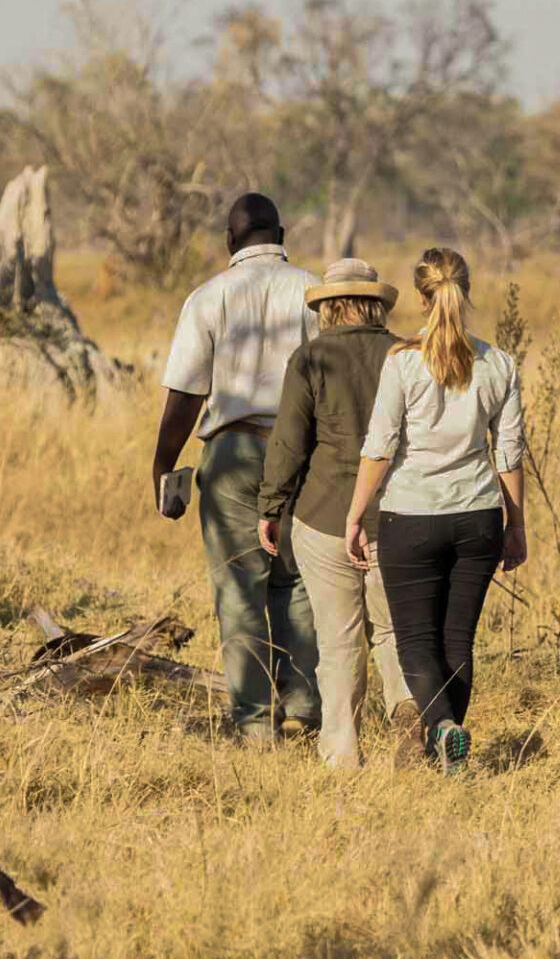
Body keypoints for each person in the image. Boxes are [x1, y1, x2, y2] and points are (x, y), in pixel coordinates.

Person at [344, 247, 527, 774]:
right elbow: (509, 454)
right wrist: (515, 526)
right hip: (478, 517)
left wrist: (356, 515)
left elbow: (379, 447)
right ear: (464, 293)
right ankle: (449, 749)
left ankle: (443, 728)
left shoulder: (402, 363)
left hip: (411, 516)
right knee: (458, 641)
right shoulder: (500, 363)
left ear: (423, 298)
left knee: (416, 643)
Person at [152, 193, 321, 745]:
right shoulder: (314, 291)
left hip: (230, 454)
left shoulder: (207, 297)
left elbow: (185, 393)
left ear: (230, 240)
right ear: (283, 231)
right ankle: (304, 705)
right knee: (298, 581)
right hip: (302, 452)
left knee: (239, 590)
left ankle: (253, 724)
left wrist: (164, 463)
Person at [256, 259, 416, 769]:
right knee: (395, 631)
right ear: (375, 303)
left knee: (339, 640)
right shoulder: (406, 353)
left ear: (328, 306)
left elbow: (288, 444)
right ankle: (409, 715)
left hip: (325, 515)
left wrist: (270, 505)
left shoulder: (310, 358)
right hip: (399, 516)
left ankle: (342, 752)